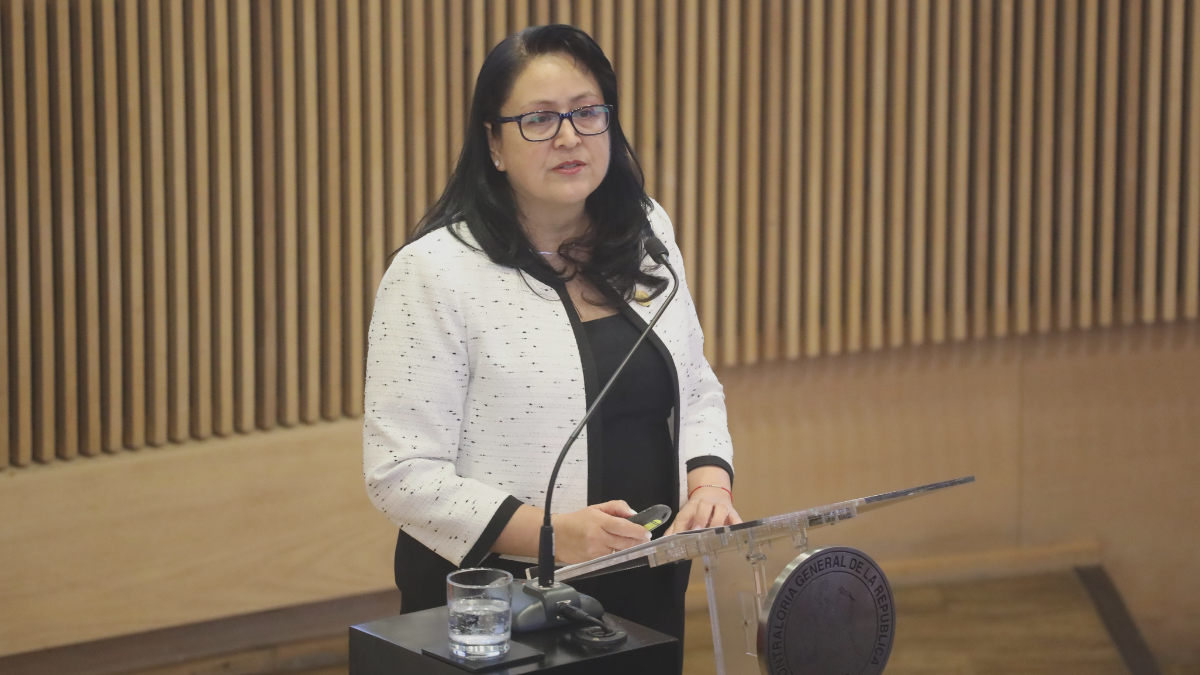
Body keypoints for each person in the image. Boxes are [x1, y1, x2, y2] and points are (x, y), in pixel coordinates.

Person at [362, 24, 739, 665]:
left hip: (645, 587)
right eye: (538, 119)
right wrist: (551, 533)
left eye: (587, 112)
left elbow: (695, 385)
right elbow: (402, 474)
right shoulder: (434, 272)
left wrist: (709, 485)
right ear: (494, 143)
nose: (569, 137)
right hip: (498, 607)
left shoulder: (645, 230)